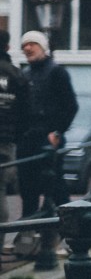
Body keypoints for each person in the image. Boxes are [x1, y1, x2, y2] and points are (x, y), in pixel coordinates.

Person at [17, 30, 77, 217]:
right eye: (24, 45)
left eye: (32, 44)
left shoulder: (57, 72)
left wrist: (57, 131)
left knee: (55, 186)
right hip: (28, 138)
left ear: (43, 47)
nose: (27, 48)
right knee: (27, 188)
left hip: (48, 137)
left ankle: (74, 227)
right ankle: (29, 231)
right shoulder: (24, 74)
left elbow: (70, 106)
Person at [0, 31, 30, 226]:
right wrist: (14, 137)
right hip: (5, 141)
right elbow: (26, 112)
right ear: (8, 47)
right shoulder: (17, 75)